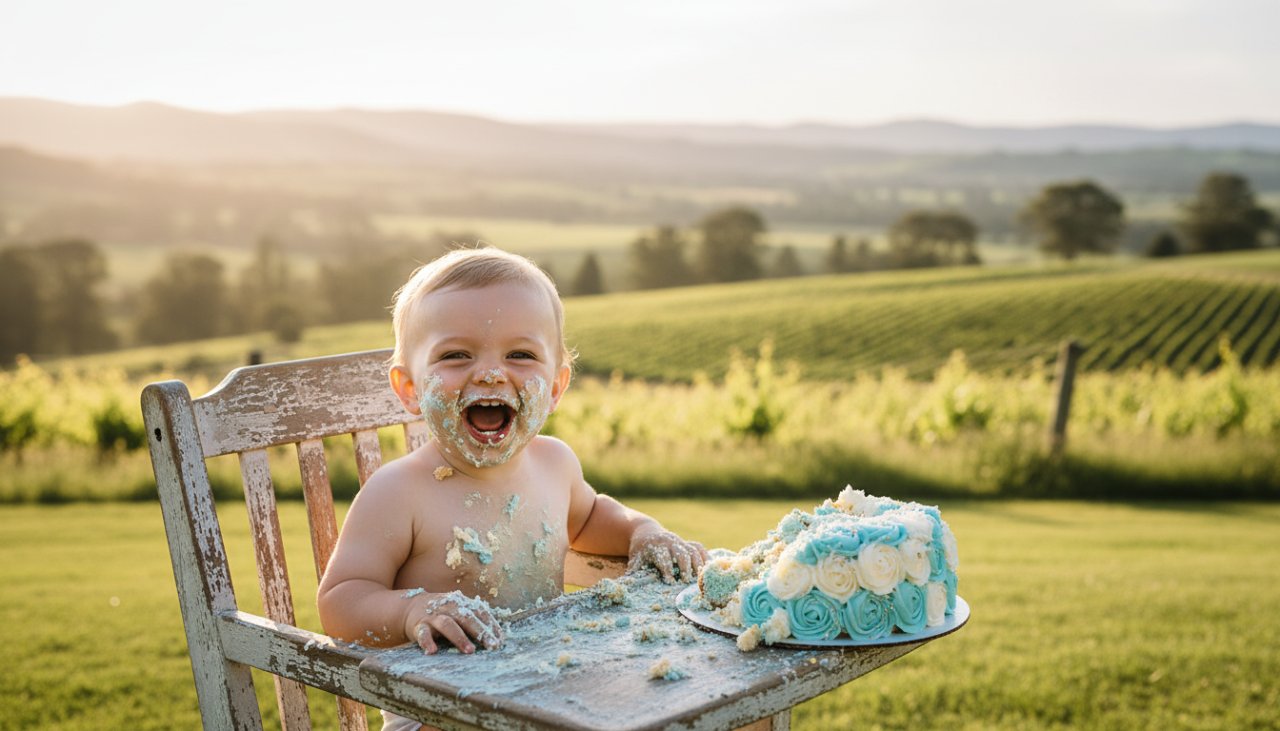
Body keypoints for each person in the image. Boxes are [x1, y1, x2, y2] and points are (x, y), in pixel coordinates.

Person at [317, 247, 708, 730]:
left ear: (557, 385)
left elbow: (589, 519)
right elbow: (341, 600)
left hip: (544, 692)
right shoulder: (398, 491)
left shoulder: (554, 463)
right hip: (442, 711)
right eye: (455, 355)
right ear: (410, 388)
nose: (489, 373)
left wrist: (641, 530)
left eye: (520, 355)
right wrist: (413, 610)